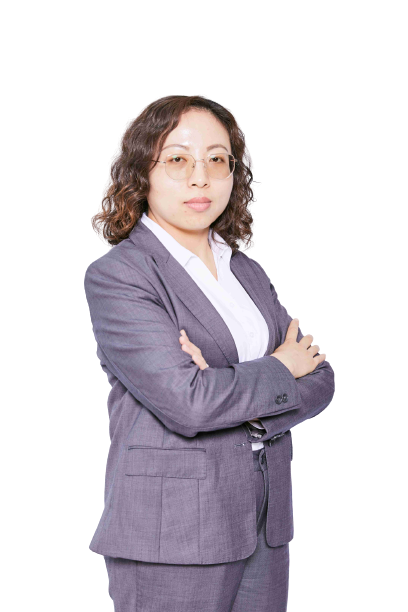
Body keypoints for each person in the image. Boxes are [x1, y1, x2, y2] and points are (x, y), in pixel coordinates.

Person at [84, 94, 335, 611]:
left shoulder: (247, 271)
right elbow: (189, 403)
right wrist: (279, 368)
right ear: (143, 171)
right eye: (178, 159)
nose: (201, 178)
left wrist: (235, 393)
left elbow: (321, 377)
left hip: (264, 522)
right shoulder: (121, 275)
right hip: (173, 532)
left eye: (217, 159)